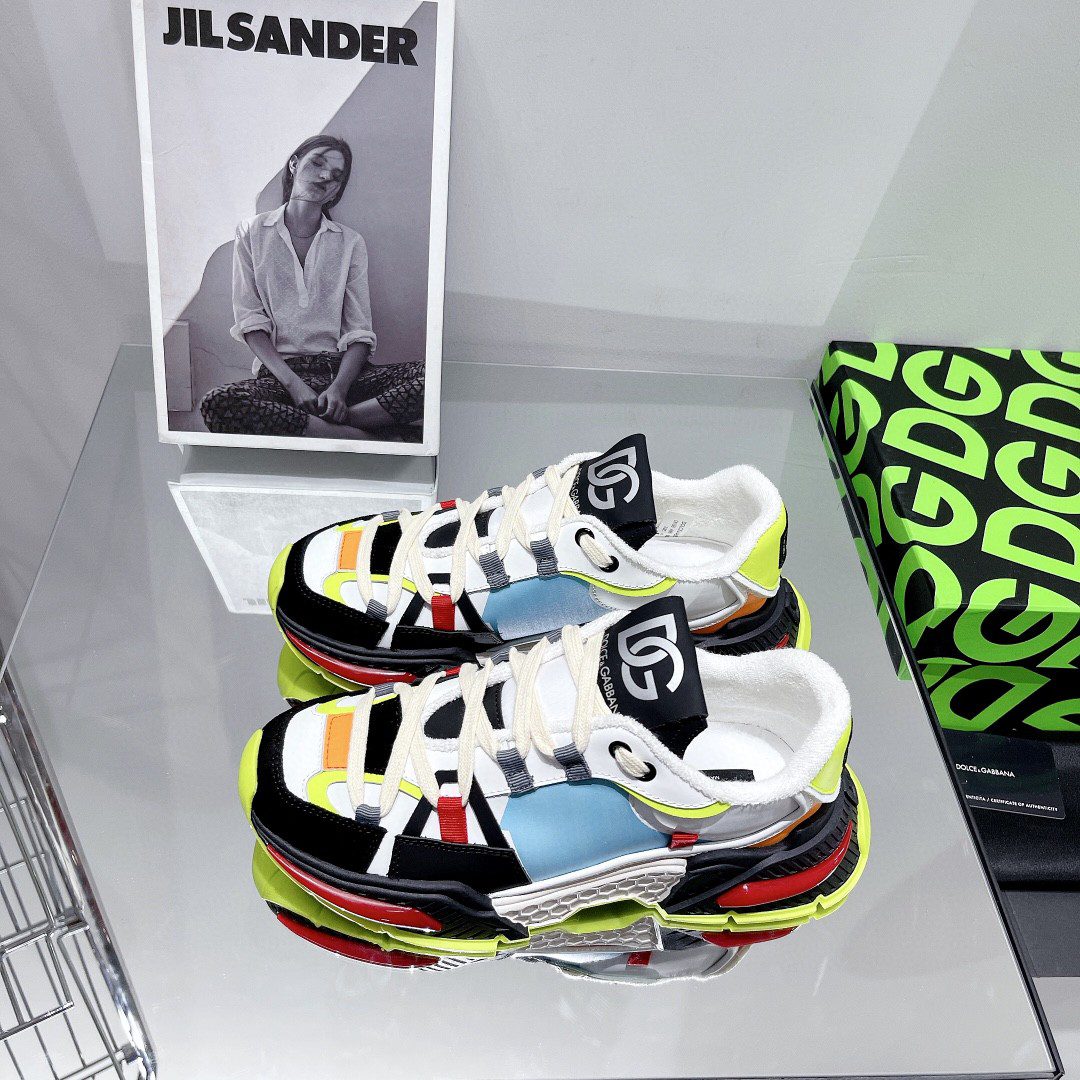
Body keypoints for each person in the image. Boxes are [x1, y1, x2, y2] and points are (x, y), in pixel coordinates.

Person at [200, 134, 424, 439]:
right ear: (294, 164)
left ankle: (338, 424)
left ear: (337, 189)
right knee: (218, 403)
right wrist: (295, 386)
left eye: (336, 175)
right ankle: (365, 437)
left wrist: (339, 390)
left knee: (435, 377)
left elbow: (359, 332)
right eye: (317, 163)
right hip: (281, 379)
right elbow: (250, 322)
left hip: (346, 377)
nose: (325, 176)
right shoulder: (252, 232)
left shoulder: (349, 242)